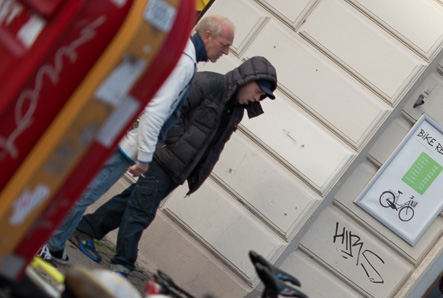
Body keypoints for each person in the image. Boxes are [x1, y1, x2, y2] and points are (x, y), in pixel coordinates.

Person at [39, 15, 236, 264]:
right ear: (207, 35)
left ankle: (54, 244)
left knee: (81, 188)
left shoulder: (180, 53)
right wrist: (144, 156)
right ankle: (41, 241)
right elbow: (156, 111)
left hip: (118, 132)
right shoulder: (185, 64)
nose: (226, 52)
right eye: (224, 44)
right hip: (125, 142)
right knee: (84, 193)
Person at [73, 55, 277, 278]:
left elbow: (214, 144)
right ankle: (123, 262)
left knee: (129, 202)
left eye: (262, 96)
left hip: (179, 169)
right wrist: (173, 143)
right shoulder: (208, 83)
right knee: (141, 212)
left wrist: (195, 172)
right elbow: (173, 110)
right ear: (247, 80)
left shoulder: (235, 109)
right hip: (164, 159)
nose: (257, 98)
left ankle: (86, 229)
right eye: (257, 91)